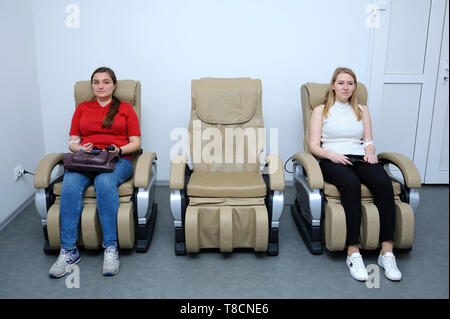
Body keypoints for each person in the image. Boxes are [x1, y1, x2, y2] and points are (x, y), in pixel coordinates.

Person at [309, 67, 402, 282]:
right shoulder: (320, 110)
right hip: (332, 158)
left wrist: (370, 154)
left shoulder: (362, 109)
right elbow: (314, 146)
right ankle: (353, 253)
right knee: (350, 185)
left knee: (383, 183)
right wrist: (332, 155)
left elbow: (368, 140)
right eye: (341, 82)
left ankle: (386, 252)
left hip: (359, 157)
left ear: (355, 87)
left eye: (350, 83)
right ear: (333, 85)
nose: (345, 87)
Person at [49, 67, 141, 277]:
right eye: (96, 82)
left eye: (106, 82)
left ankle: (110, 247)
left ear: (114, 85)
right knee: (70, 184)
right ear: (92, 86)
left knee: (104, 182)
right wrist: (81, 148)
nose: (101, 86)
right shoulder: (82, 108)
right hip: (87, 158)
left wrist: (118, 149)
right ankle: (69, 250)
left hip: (117, 159)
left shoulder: (125, 109)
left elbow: (136, 143)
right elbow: (73, 141)